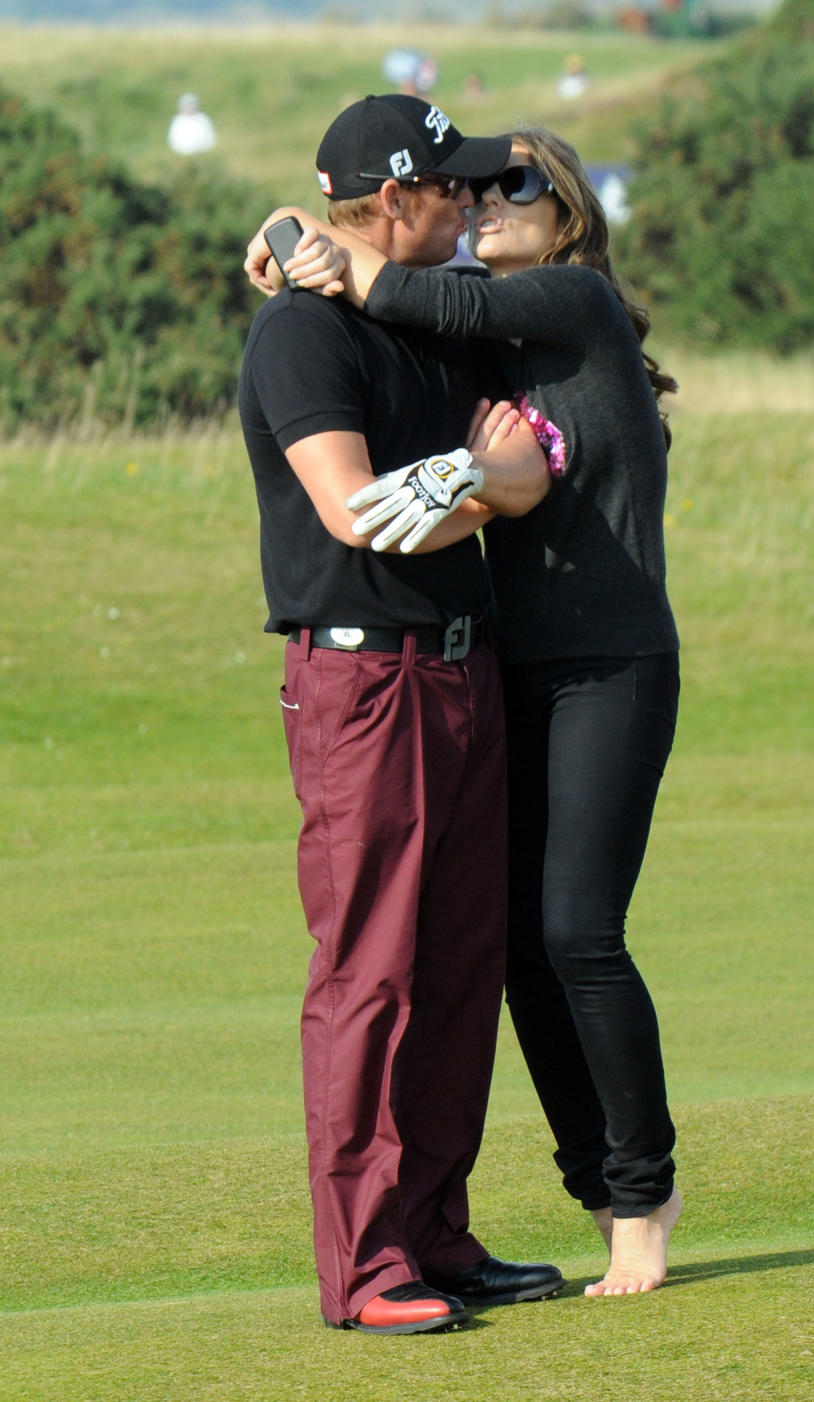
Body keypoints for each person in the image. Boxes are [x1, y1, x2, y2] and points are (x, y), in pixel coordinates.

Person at [245, 125, 684, 1297]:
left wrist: (312, 238)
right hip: (468, 674)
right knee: (477, 958)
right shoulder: (446, 317)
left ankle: (632, 1198)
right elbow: (373, 484)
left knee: (567, 936)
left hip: (600, 666)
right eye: (466, 184)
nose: (483, 199)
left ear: (570, 210)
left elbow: (390, 277)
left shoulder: (573, 306)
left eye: (511, 183)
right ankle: (406, 1249)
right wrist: (299, 233)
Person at [237, 93, 563, 1336]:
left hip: (466, 670)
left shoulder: (442, 319)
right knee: (369, 972)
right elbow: (359, 512)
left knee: (461, 963)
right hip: (364, 684)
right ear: (390, 202)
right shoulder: (299, 338)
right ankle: (366, 1263)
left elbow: (524, 465)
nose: (474, 206)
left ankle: (434, 1230)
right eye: (455, 189)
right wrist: (490, 484)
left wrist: (490, 481)